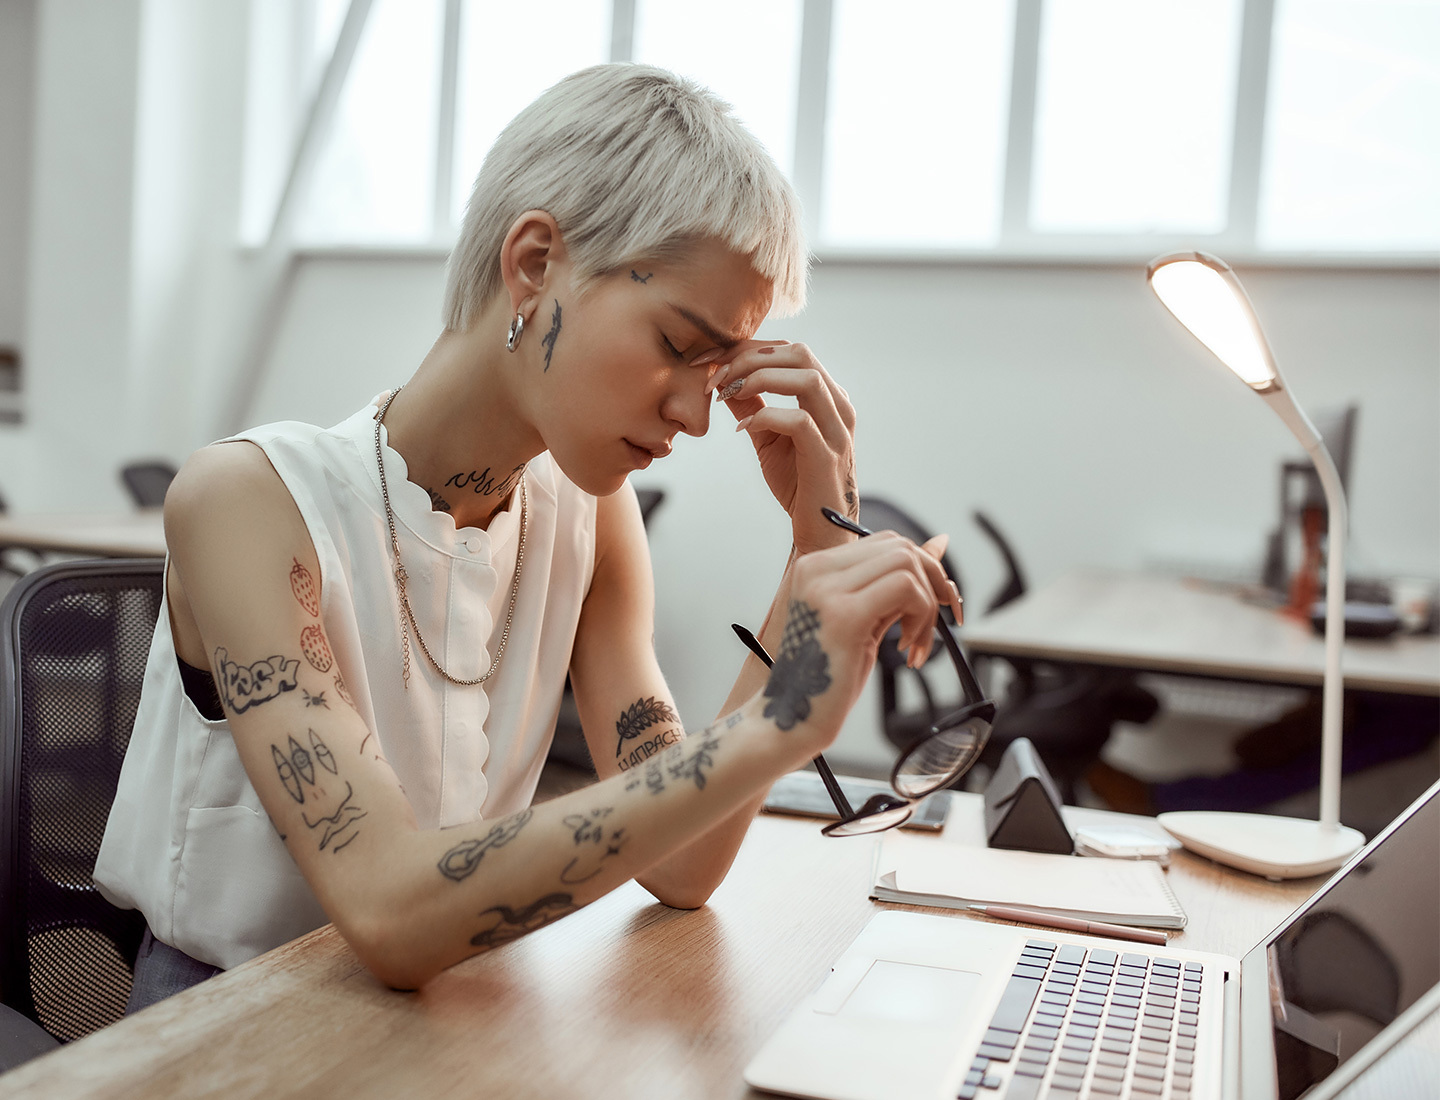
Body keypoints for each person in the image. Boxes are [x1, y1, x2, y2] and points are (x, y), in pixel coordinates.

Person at [94, 63, 960, 1004]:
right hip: (227, 1031)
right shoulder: (249, 501)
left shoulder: (589, 516)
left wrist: (814, 547)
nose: (697, 416)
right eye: (679, 346)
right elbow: (387, 913)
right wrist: (778, 719)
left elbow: (683, 869)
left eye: (717, 373)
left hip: (442, 1018)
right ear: (537, 262)